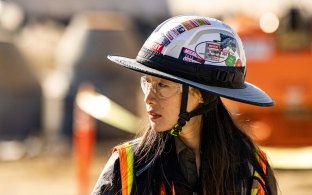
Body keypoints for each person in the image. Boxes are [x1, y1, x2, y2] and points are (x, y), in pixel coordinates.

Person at [92, 15, 278, 195]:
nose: (148, 97)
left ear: (203, 95)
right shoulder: (127, 166)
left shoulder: (251, 167)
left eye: (162, 85)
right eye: (147, 82)